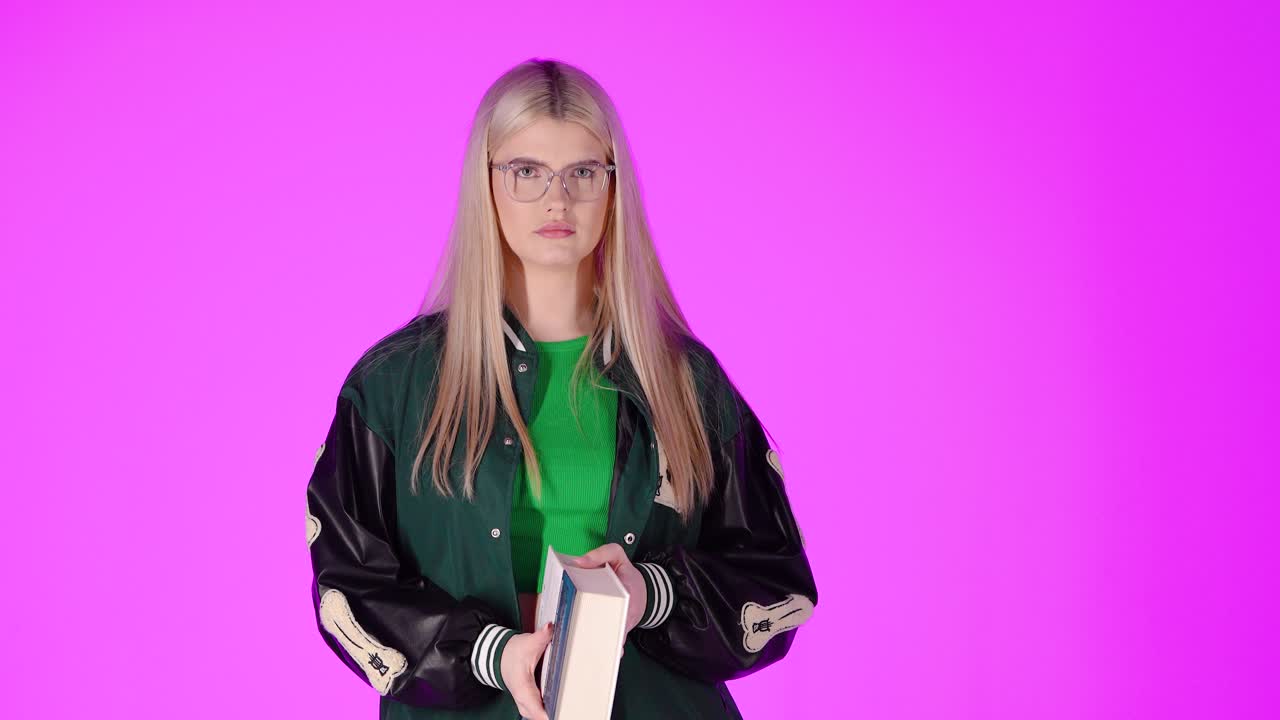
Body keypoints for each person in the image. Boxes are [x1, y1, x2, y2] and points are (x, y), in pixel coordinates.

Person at [304, 58, 818, 720]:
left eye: (582, 172)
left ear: (613, 188)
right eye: (526, 172)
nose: (557, 199)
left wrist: (651, 594)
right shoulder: (393, 387)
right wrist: (492, 653)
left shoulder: (688, 382)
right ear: (485, 186)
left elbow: (776, 581)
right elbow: (349, 589)